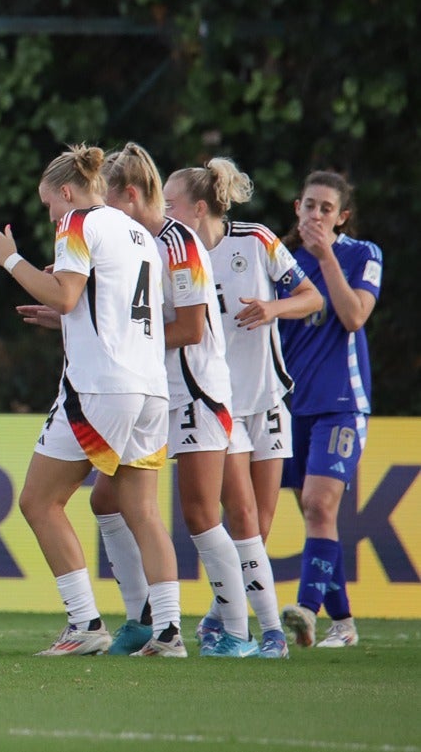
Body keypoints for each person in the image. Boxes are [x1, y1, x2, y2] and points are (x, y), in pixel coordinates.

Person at [0, 144, 185, 658]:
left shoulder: (78, 223)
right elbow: (106, 306)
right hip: (150, 387)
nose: (50, 214)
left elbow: (65, 294)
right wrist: (68, 318)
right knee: (142, 511)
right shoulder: (140, 231)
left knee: (38, 501)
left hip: (100, 387)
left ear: (68, 192)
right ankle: (169, 632)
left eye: (49, 204)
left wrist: (10, 259)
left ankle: (85, 624)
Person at [93, 144, 252, 657]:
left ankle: (239, 632)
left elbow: (188, 327)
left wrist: (121, 337)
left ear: (132, 195)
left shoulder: (178, 241)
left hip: (195, 393)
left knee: (202, 514)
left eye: (110, 204)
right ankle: (143, 619)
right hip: (155, 389)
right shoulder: (140, 240)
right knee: (105, 499)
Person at [162, 159, 323, 659]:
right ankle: (266, 631)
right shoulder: (174, 253)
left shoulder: (255, 239)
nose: (164, 212)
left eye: (171, 204)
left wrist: (273, 308)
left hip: (267, 397)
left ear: (200, 207)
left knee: (262, 517)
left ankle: (220, 616)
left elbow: (311, 298)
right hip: (220, 401)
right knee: (243, 512)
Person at [277, 171, 382, 649]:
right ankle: (344, 623)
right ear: (297, 208)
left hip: (341, 404)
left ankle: (306, 610)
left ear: (342, 217)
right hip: (291, 404)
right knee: (313, 511)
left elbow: (355, 315)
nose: (316, 215)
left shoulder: (362, 255)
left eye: (327, 209)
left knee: (319, 504)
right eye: (310, 206)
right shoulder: (282, 263)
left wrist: (327, 259)